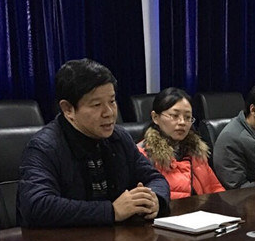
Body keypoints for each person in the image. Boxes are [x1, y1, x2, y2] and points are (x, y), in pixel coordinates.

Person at [17, 58, 170, 227]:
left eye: (112, 101)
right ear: (68, 109)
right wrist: (111, 211)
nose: (109, 113)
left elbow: (155, 178)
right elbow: (37, 205)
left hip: (116, 238)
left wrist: (154, 199)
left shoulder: (119, 138)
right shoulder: (44, 147)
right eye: (97, 105)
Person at [136, 87, 224, 199]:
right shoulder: (143, 155)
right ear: (155, 117)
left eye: (187, 117)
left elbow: (215, 188)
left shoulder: (196, 152)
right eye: (174, 116)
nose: (182, 122)